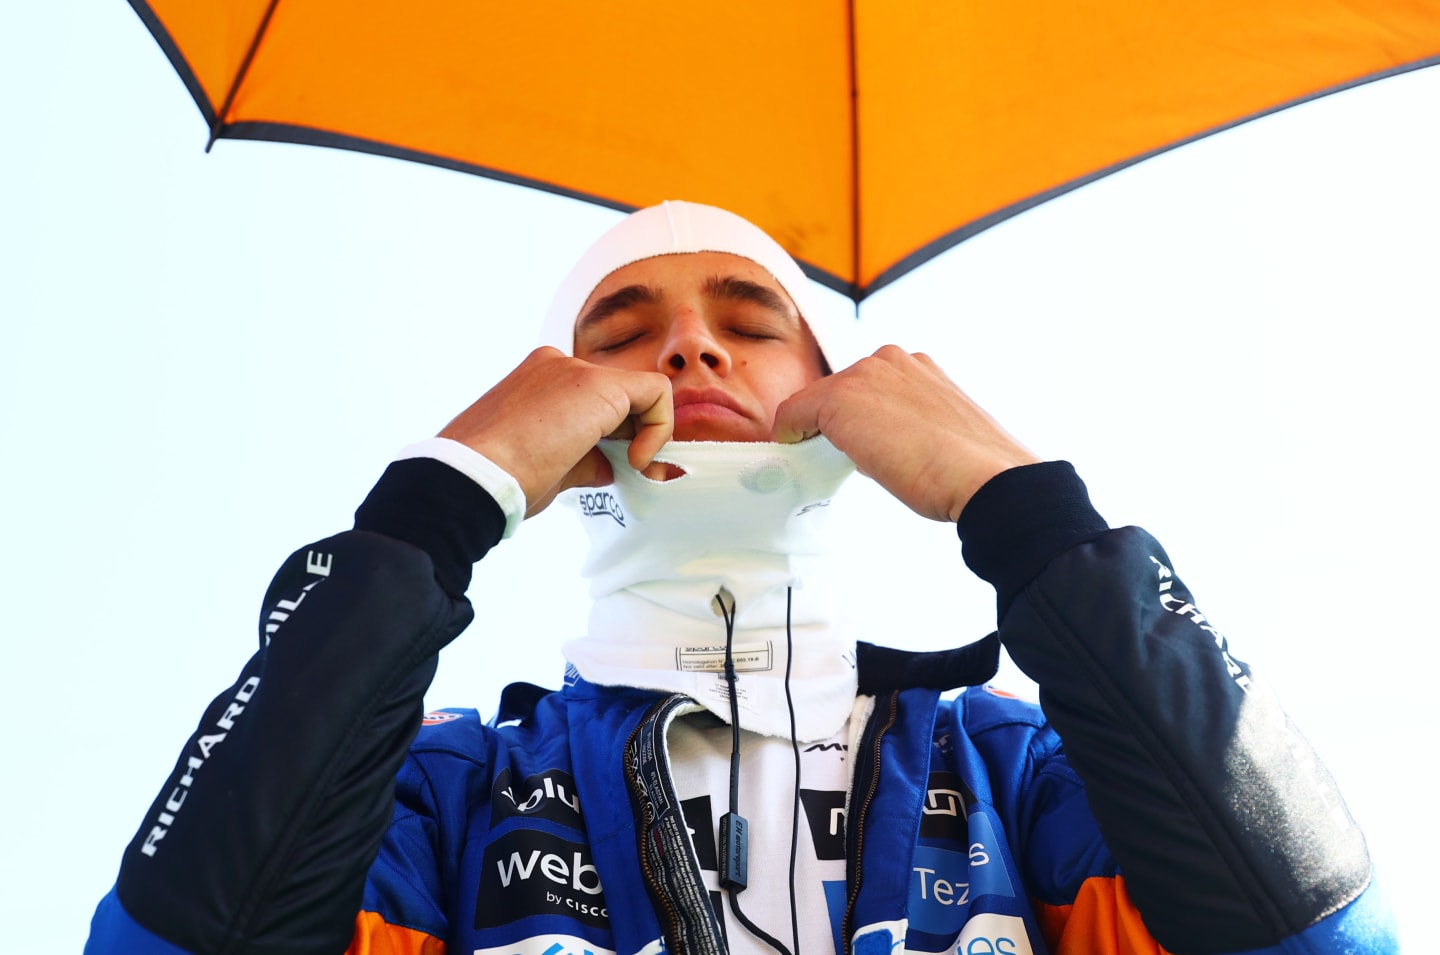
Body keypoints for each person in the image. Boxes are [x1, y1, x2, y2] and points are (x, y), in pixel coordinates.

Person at [86, 201, 1394, 955]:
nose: (693, 347)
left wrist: (1029, 511)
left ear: (843, 399)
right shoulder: (449, 786)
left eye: (750, 321)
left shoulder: (1013, 766)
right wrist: (440, 500)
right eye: (624, 331)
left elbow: (1324, 941)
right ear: (561, 426)